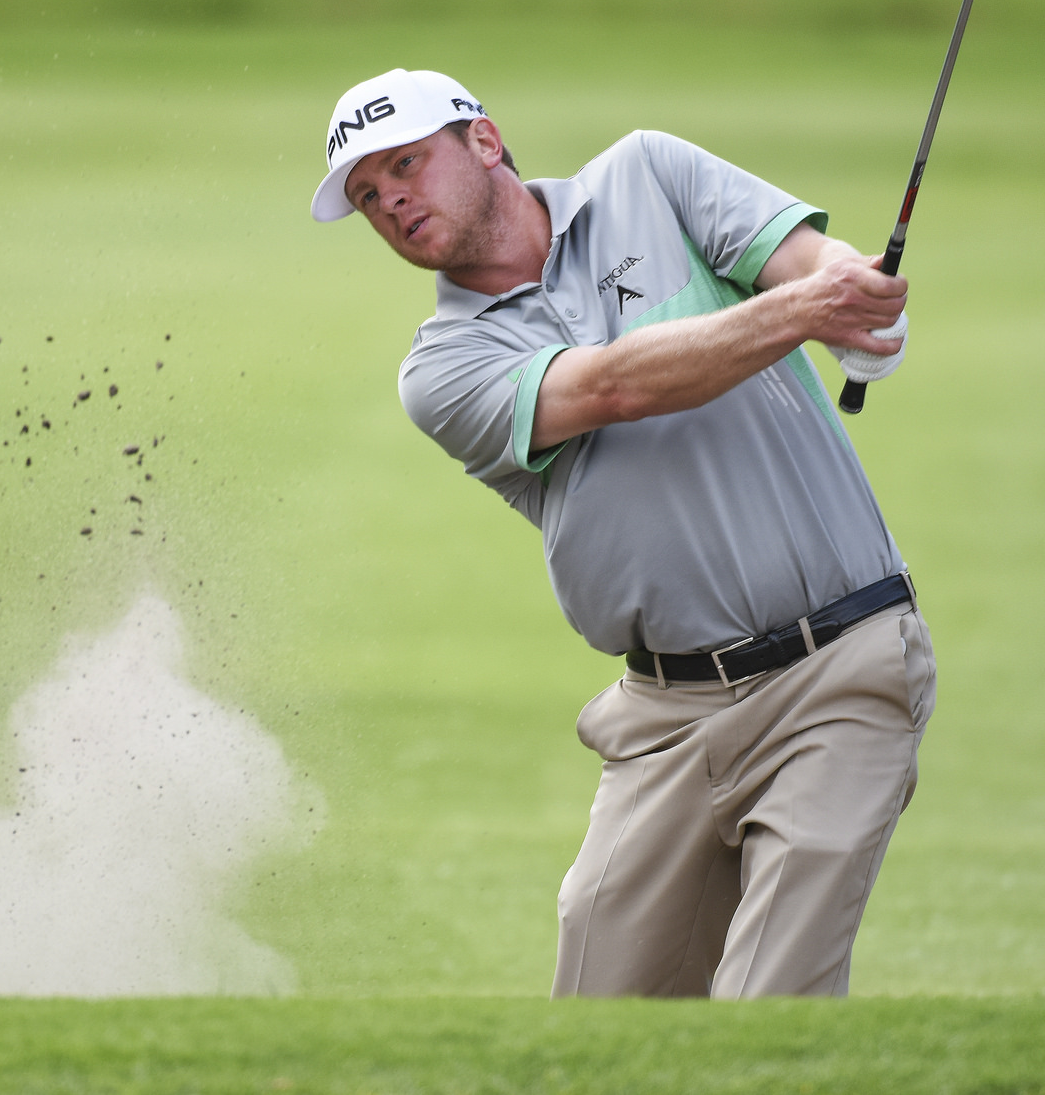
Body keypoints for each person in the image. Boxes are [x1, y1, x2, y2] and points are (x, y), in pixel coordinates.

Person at [310, 67, 937, 999]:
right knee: (603, 1029)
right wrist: (805, 314)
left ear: (484, 142)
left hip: (839, 665)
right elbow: (614, 386)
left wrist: (850, 306)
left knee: (770, 1000)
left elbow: (808, 263)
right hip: (665, 718)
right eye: (367, 195)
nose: (391, 199)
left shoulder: (649, 174)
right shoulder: (443, 368)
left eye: (405, 163)